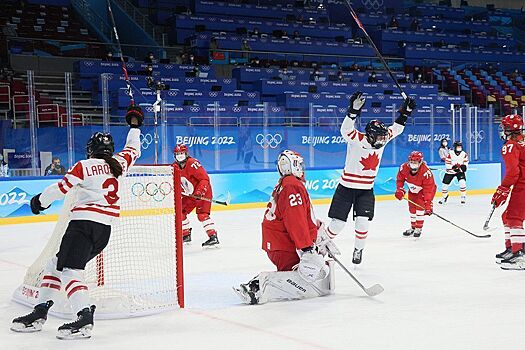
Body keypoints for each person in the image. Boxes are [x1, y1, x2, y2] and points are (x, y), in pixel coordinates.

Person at [10, 105, 144, 339]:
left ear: (91, 150)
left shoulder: (84, 166)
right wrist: (134, 126)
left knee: (71, 271)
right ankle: (40, 311)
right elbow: (133, 149)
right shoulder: (118, 164)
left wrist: (39, 202)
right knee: (54, 265)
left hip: (82, 226)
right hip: (103, 232)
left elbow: (60, 189)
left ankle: (84, 318)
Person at [233, 150, 337, 304]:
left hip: (279, 241)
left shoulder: (287, 184)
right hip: (283, 244)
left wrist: (317, 230)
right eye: (299, 164)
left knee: (308, 277)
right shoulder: (291, 186)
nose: (302, 168)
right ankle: (256, 286)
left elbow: (301, 215)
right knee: (302, 284)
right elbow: (295, 219)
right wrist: (307, 248)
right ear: (292, 166)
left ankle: (259, 285)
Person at [325, 91, 416, 264]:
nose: (383, 141)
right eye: (380, 138)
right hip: (346, 188)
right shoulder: (357, 139)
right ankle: (319, 245)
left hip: (366, 190)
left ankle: (358, 250)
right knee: (337, 224)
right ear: (370, 135)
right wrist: (352, 111)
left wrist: (405, 113)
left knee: (363, 223)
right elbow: (346, 129)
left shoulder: (382, 138)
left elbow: (396, 129)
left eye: (384, 137)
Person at [492, 114, 525, 270]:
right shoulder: (522, 140)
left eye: (504, 127)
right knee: (507, 216)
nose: (502, 130)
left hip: (523, 185)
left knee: (513, 217)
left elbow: (513, 172)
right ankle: (512, 248)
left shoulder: (510, 145)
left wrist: (503, 188)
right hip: (522, 184)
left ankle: (520, 254)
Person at [173, 144, 219, 247]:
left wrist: (199, 192)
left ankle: (213, 237)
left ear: (186, 154)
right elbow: (176, 182)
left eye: (181, 153)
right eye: (177, 154)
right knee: (180, 212)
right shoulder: (174, 167)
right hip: (190, 195)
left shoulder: (193, 163)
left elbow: (204, 179)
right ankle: (186, 235)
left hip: (203, 192)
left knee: (202, 215)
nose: (179, 156)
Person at [395, 151, 436, 238]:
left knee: (420, 208)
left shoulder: (426, 172)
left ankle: (418, 228)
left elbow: (428, 190)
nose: (413, 164)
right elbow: (400, 179)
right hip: (412, 189)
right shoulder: (403, 167)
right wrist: (400, 189)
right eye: (412, 161)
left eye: (416, 162)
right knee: (412, 209)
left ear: (420, 162)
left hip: (424, 190)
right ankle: (413, 227)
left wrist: (428, 204)